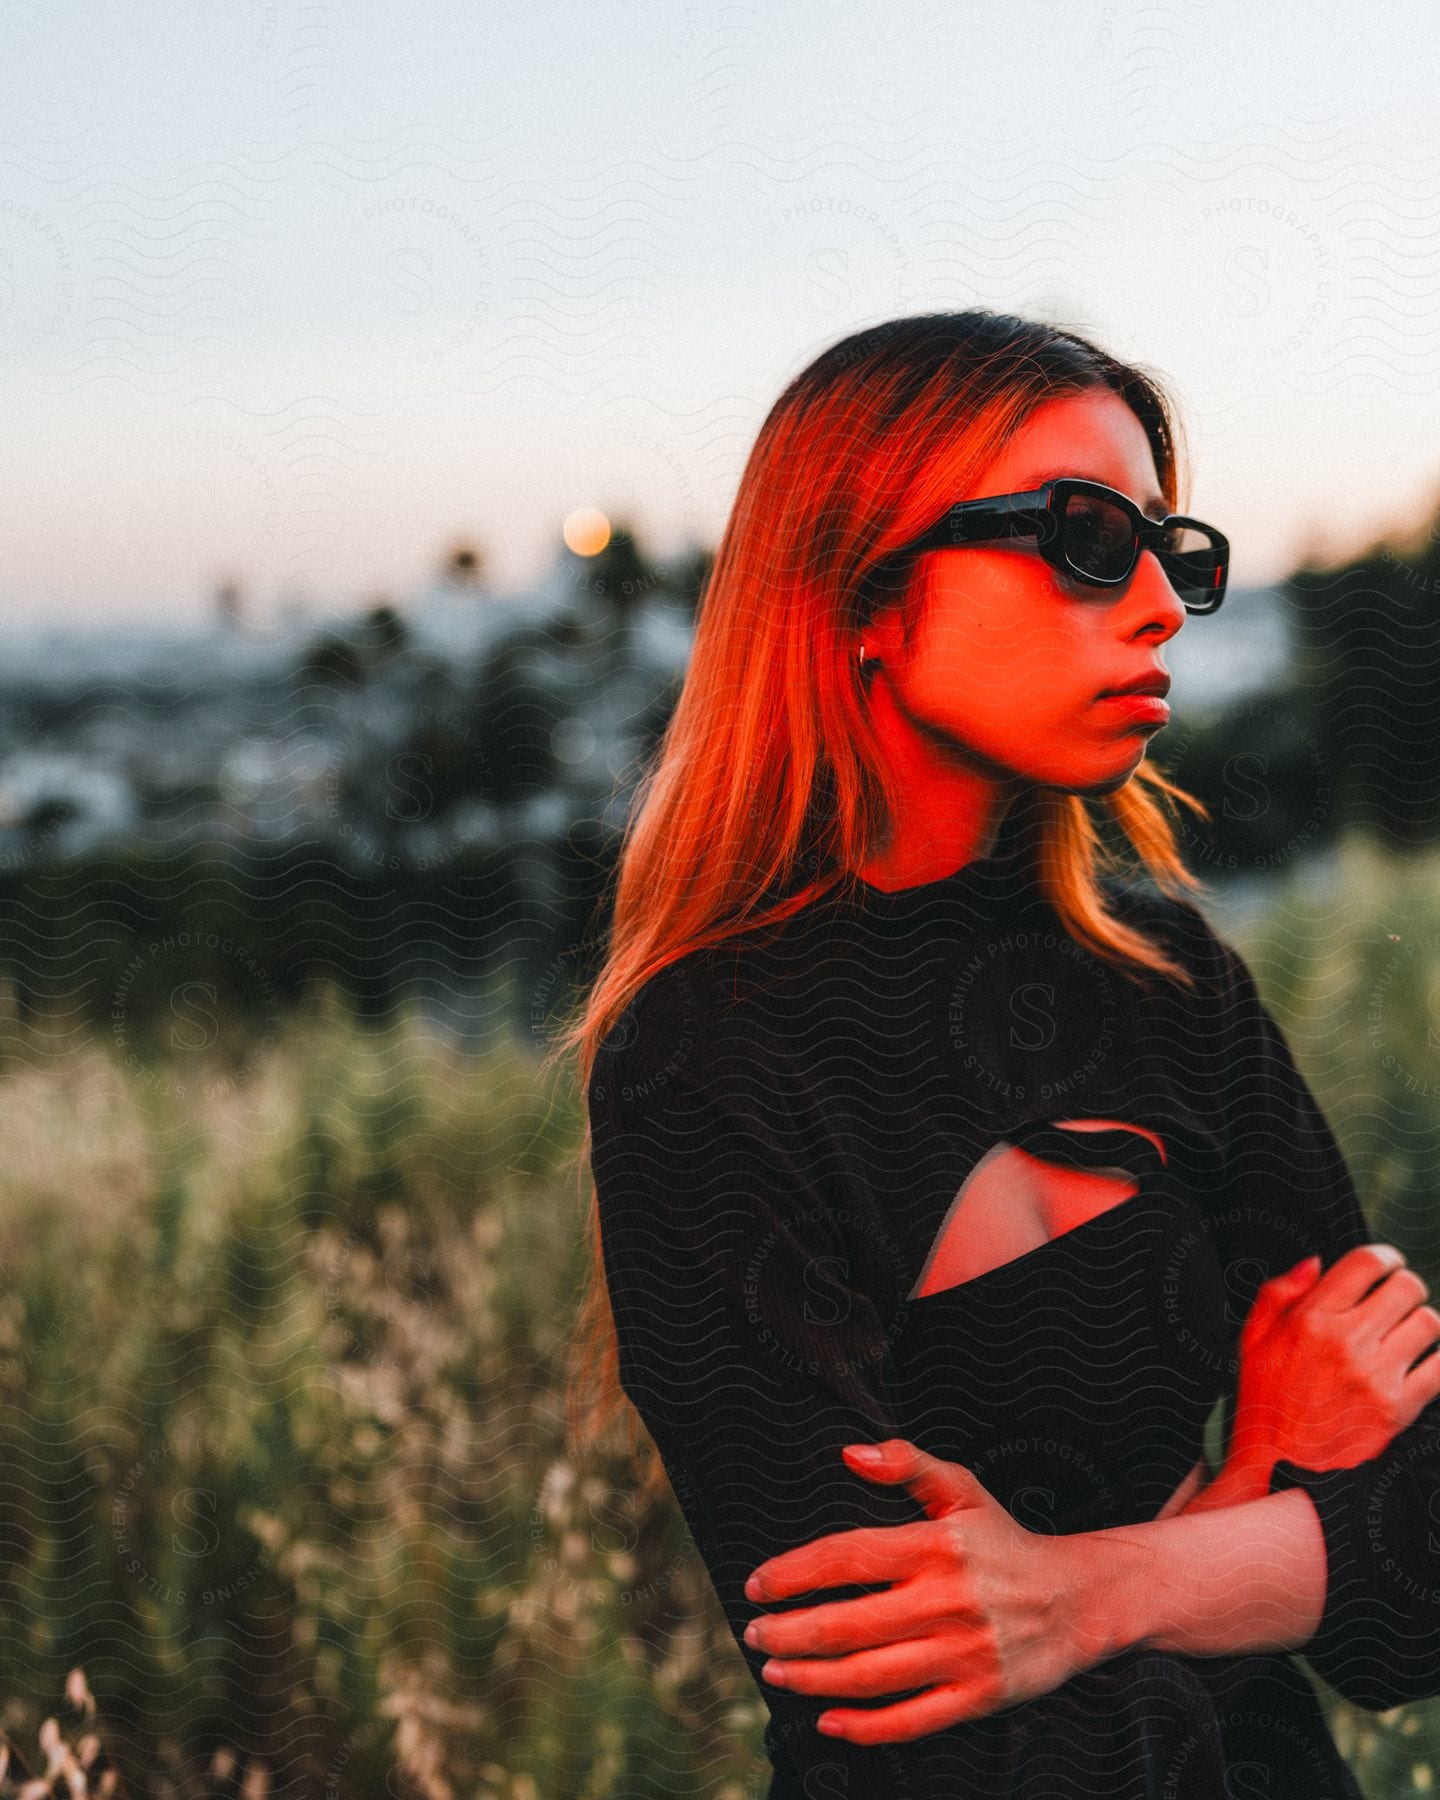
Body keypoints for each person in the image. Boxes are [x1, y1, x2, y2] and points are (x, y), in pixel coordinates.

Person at [550, 311, 1440, 1797]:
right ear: (859, 600)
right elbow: (922, 1706)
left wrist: (1080, 1595)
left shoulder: (1169, 985)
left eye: (1174, 551)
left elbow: (1411, 1594)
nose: (1160, 602)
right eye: (1087, 538)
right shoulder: (704, 1057)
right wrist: (1252, 1503)